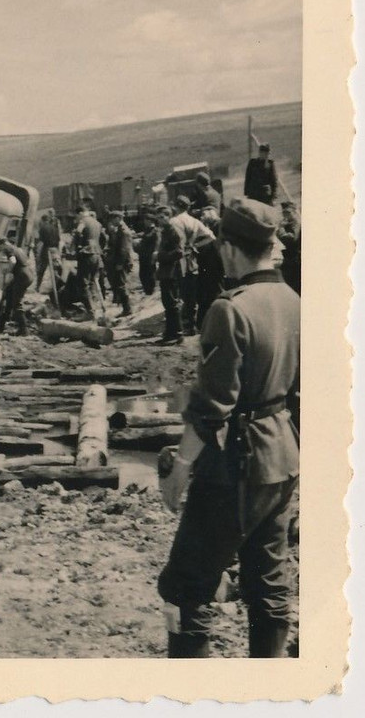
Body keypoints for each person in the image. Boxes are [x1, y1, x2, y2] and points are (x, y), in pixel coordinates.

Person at [157, 198, 300, 658]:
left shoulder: (229, 309)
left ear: (230, 248)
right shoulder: (292, 301)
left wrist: (181, 467)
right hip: (280, 458)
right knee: (268, 582)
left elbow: (214, 408)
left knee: (185, 586)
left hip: (234, 467)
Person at [169, 195, 217, 335]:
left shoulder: (174, 221)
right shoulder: (195, 221)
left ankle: (180, 326)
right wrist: (195, 245)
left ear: (176, 206)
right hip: (191, 260)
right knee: (190, 293)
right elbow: (211, 236)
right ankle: (190, 325)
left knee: (176, 292)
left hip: (178, 261)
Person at [155, 206, 186, 345]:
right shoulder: (166, 231)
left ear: (169, 217)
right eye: (159, 217)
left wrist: (160, 256)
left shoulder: (173, 231)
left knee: (172, 303)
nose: (160, 220)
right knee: (167, 302)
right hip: (166, 271)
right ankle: (169, 333)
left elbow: (179, 252)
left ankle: (177, 333)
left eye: (162, 217)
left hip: (172, 271)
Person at [71, 204, 106, 321]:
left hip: (86, 255)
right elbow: (104, 238)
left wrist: (76, 248)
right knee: (92, 282)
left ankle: (90, 312)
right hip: (97, 255)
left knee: (82, 283)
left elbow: (77, 234)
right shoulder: (97, 223)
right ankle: (95, 308)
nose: (75, 218)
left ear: (80, 213)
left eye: (76, 215)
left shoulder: (83, 222)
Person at [0, 239, 35, 335]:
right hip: (27, 274)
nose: (0, 249)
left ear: (3, 244)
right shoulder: (18, 249)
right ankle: (1, 324)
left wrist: (8, 271)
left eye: (0, 247)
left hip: (22, 277)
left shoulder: (8, 248)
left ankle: (24, 329)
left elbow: (13, 261)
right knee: (9, 293)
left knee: (16, 303)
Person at [195, 207, 225, 324]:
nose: (201, 217)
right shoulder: (212, 225)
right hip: (208, 264)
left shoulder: (219, 225)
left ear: (211, 214)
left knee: (215, 291)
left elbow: (217, 244)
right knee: (207, 293)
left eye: (203, 214)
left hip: (215, 264)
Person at [105, 211, 134, 317]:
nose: (112, 222)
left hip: (122, 262)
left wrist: (120, 263)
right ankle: (125, 308)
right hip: (119, 261)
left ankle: (127, 309)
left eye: (113, 219)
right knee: (119, 284)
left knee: (121, 284)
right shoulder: (120, 230)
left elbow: (124, 250)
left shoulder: (124, 232)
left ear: (118, 218)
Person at [277, 202, 301, 294]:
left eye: (288, 213)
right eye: (284, 213)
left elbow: (290, 239)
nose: (285, 215)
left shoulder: (296, 223)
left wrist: (281, 228)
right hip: (290, 257)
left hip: (295, 258)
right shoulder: (289, 223)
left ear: (294, 212)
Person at [137, 207, 161, 297]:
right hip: (143, 256)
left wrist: (155, 253)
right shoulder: (147, 230)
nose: (144, 222)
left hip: (150, 256)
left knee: (150, 273)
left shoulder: (155, 231)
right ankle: (146, 290)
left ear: (151, 221)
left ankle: (150, 291)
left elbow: (157, 243)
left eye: (146, 220)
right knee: (142, 273)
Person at [35, 212, 62, 293]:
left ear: (43, 220)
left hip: (46, 249)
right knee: (55, 270)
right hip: (55, 249)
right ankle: (56, 288)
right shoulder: (55, 227)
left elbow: (41, 240)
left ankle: (37, 287)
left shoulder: (43, 227)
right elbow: (58, 239)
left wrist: (37, 252)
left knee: (41, 269)